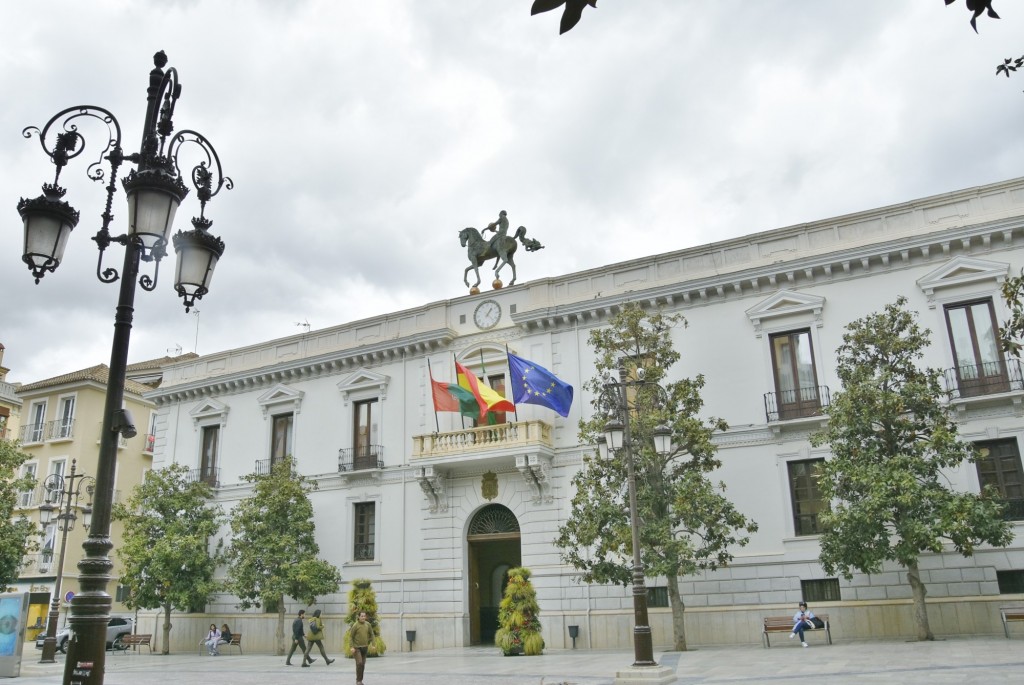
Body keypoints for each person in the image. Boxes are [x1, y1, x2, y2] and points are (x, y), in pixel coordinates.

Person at [347, 610, 374, 685]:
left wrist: (373, 644)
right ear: (358, 617)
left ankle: (360, 680)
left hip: (365, 647)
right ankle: (358, 681)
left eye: (364, 616)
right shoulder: (355, 625)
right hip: (357, 648)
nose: (363, 617)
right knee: (359, 663)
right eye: (361, 616)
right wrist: (351, 647)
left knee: (362, 664)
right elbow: (351, 637)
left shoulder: (368, 624)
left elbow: (372, 634)